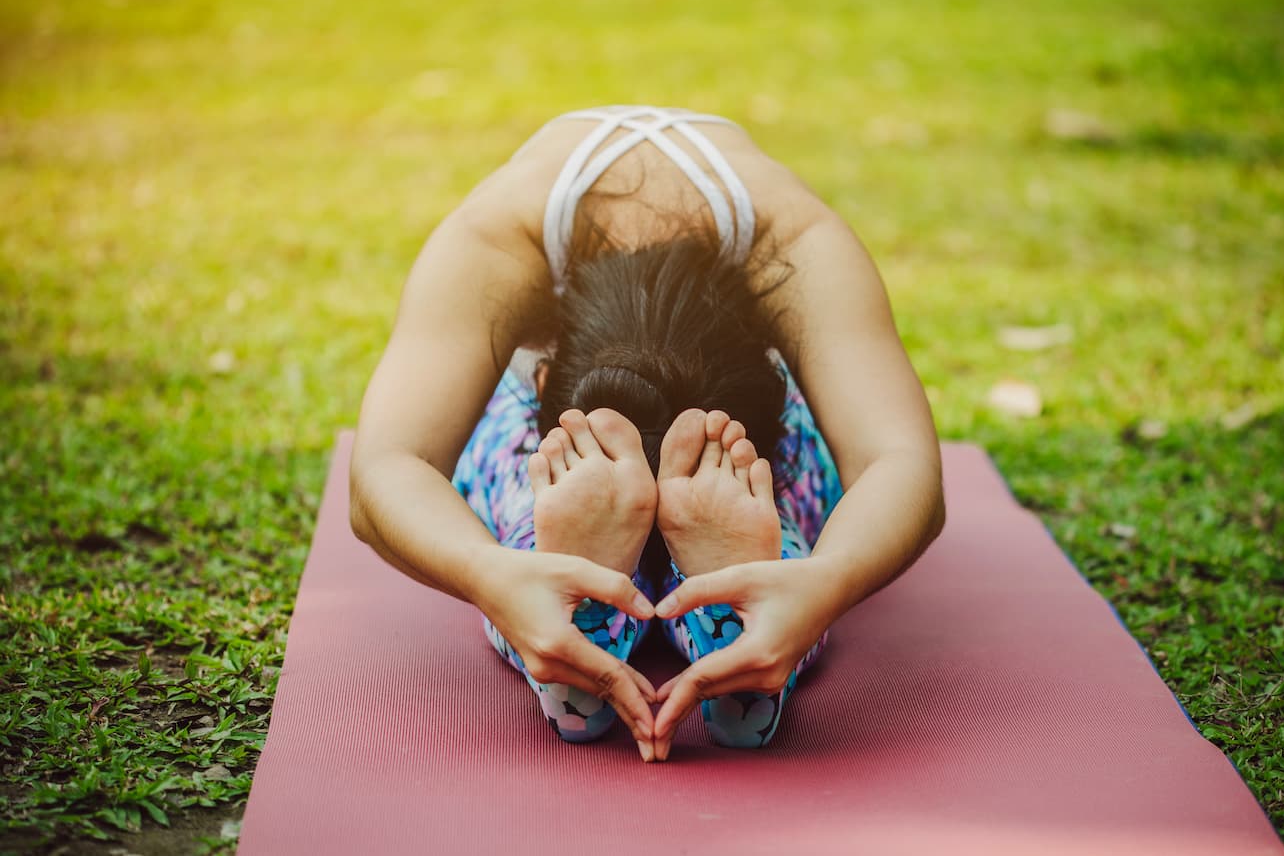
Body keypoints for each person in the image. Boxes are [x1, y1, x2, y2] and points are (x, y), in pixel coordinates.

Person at [349, 105, 945, 762]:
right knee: (798, 485)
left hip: (586, 442)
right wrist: (485, 575)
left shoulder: (794, 242)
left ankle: (563, 582)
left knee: (513, 468)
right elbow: (385, 466)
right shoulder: (495, 243)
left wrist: (832, 581)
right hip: (736, 455)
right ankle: (748, 599)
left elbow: (900, 460)